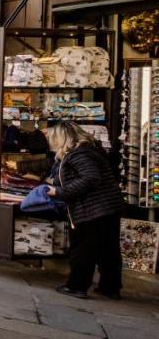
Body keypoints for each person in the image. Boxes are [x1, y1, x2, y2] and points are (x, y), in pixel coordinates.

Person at [46, 122, 125, 300]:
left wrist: (59, 191)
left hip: (92, 208)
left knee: (83, 248)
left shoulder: (78, 153)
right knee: (108, 249)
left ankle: (77, 286)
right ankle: (110, 287)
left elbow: (90, 178)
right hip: (108, 206)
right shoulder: (90, 150)